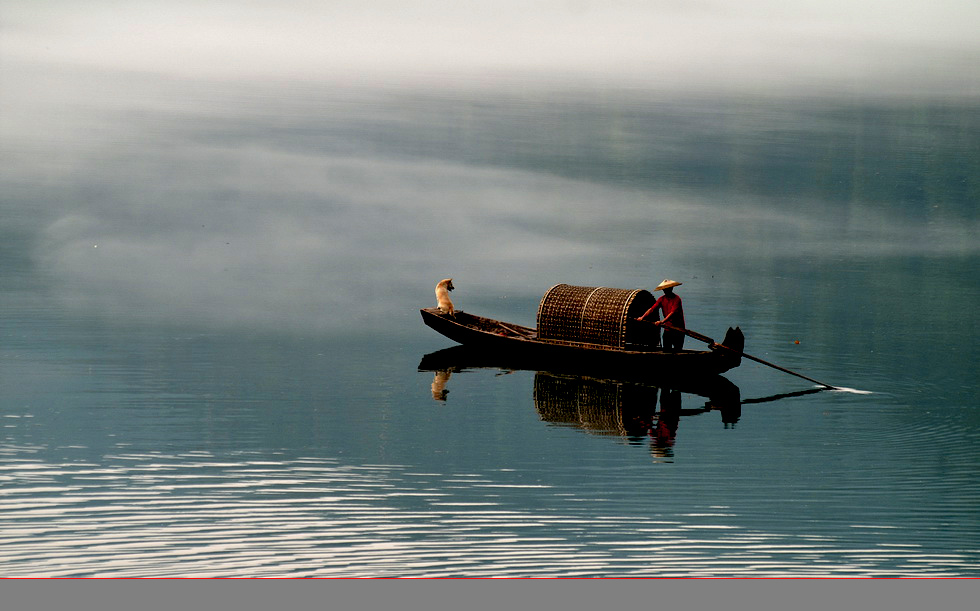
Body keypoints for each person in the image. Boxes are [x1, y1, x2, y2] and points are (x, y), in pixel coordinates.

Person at [637, 279, 685, 351]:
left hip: (678, 329)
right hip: (667, 329)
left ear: (671, 288)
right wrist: (642, 317)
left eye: (667, 289)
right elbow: (652, 309)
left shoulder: (677, 299)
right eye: (664, 289)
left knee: (678, 350)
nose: (665, 291)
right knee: (666, 350)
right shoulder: (661, 299)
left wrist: (662, 322)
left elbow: (672, 313)